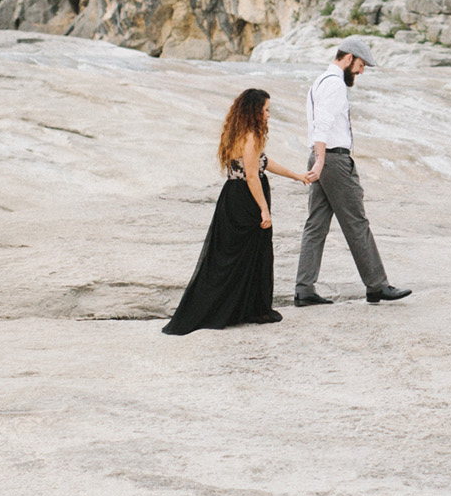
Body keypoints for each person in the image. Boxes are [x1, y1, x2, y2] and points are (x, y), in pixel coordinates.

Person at [162, 87, 314, 335]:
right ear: (255, 111)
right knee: (246, 255)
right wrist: (264, 209)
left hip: (232, 197)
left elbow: (264, 163)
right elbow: (253, 177)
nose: (268, 114)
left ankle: (240, 308)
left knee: (232, 256)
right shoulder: (251, 136)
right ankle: (244, 309)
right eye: (265, 110)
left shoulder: (238, 133)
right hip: (247, 200)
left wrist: (296, 175)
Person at [293, 36, 411, 306]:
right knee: (357, 223)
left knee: (316, 225)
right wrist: (322, 161)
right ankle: (377, 285)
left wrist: (316, 160)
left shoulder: (320, 81)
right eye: (360, 65)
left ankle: (304, 289)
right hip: (331, 159)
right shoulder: (334, 84)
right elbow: (322, 124)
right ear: (347, 57)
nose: (361, 71)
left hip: (320, 156)